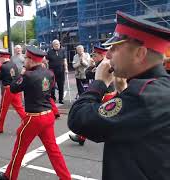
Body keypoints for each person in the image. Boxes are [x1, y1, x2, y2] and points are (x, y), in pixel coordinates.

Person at [68, 11, 170, 180]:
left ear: (140, 54)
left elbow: (79, 119)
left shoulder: (143, 95)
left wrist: (99, 82)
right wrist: (123, 91)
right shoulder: (158, 86)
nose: (108, 54)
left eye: (115, 47)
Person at [0, 46, 71, 180]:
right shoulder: (49, 73)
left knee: (20, 148)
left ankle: (10, 175)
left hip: (34, 117)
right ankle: (65, 177)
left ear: (31, 60)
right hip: (48, 114)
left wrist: (22, 73)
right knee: (53, 150)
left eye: (26, 58)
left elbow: (13, 88)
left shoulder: (28, 76)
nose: (24, 60)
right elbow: (50, 88)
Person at [69, 46, 117, 145]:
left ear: (101, 55)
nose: (93, 57)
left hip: (106, 94)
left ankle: (82, 136)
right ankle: (81, 136)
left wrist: (92, 67)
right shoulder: (99, 64)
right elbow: (87, 73)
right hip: (104, 92)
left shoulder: (103, 65)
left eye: (95, 55)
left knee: (89, 114)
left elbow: (90, 75)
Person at [0, 51, 26, 134]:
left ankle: (0, 128)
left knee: (3, 109)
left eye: (0, 58)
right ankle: (29, 123)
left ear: (3, 57)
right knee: (19, 108)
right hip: (15, 88)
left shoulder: (3, 66)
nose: (0, 60)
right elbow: (17, 76)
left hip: (8, 89)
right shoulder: (13, 64)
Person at [45, 40, 68, 104]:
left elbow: (65, 60)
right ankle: (53, 98)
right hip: (52, 71)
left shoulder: (62, 51)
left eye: (58, 44)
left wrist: (66, 68)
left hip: (61, 71)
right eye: (55, 44)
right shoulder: (49, 52)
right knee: (52, 86)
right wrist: (46, 69)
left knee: (61, 86)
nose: (57, 45)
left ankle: (61, 99)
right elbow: (46, 61)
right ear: (53, 45)